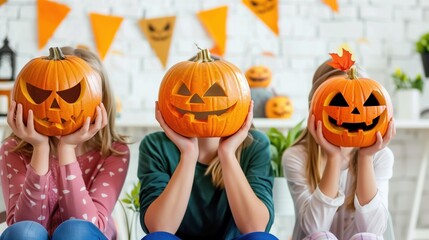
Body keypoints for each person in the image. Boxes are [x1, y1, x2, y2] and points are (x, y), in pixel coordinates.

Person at [0, 47, 130, 240]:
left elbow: (88, 227)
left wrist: (66, 150)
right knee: (23, 232)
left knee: (75, 231)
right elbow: (25, 226)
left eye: (72, 94)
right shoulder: (14, 149)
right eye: (42, 93)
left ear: (100, 100)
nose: (55, 106)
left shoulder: (114, 152)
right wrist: (40, 148)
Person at [282, 60, 396, 240]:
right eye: (339, 101)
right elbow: (314, 228)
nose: (354, 112)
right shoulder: (297, 157)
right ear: (315, 105)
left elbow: (374, 230)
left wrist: (366, 157)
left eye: (363, 100)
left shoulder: (380, 156)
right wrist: (333, 158)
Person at [138, 101, 278, 240]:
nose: (201, 99)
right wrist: (188, 154)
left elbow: (256, 228)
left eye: (216, 90)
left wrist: (227, 154)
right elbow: (159, 229)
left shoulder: (256, 144)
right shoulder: (155, 145)